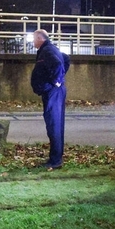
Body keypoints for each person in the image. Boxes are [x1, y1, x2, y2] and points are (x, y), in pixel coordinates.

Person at [30, 29, 70, 170]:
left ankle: (55, 160)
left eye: (34, 39)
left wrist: (56, 81)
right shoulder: (49, 49)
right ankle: (55, 158)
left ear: (40, 38)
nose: (33, 42)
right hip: (53, 91)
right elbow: (65, 59)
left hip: (53, 92)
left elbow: (59, 64)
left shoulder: (47, 51)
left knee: (54, 125)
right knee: (54, 124)